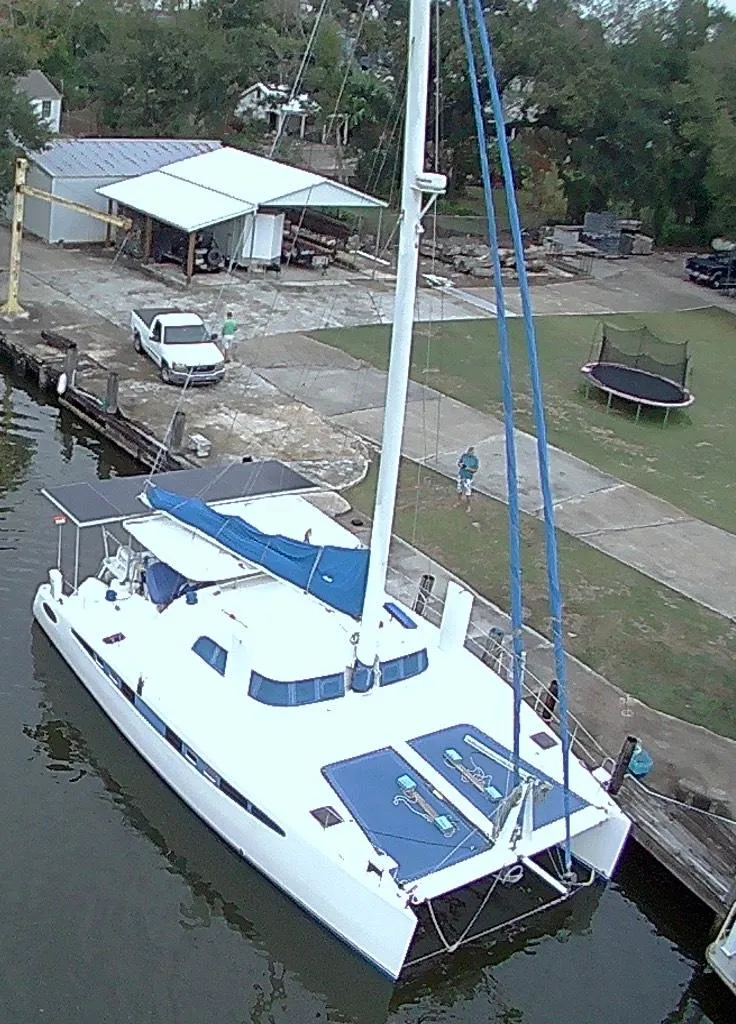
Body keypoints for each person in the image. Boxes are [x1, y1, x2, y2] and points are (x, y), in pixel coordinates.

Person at [456, 445, 479, 510]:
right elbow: (459, 463)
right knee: (459, 490)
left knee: (468, 492)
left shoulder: (475, 460)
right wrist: (460, 464)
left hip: (468, 477)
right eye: (469, 452)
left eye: (472, 452)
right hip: (461, 475)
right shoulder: (464, 456)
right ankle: (459, 501)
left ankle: (468, 506)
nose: (470, 453)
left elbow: (475, 470)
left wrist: (468, 468)